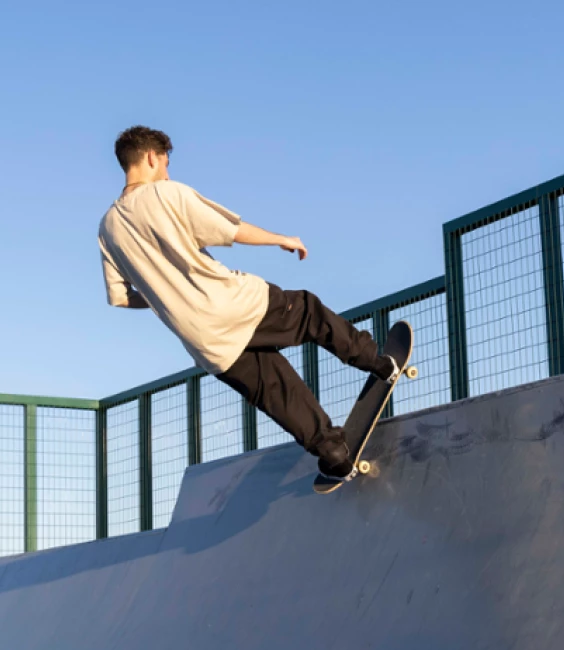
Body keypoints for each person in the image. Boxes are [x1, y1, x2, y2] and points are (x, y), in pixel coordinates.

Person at [98, 126, 398, 480]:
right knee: (307, 311)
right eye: (165, 162)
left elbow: (120, 298)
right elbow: (229, 229)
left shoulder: (108, 228)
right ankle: (376, 361)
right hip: (234, 304)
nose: (167, 171)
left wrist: (162, 294)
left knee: (279, 394)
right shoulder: (167, 194)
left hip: (205, 342)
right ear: (151, 157)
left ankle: (334, 454)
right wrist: (281, 239)